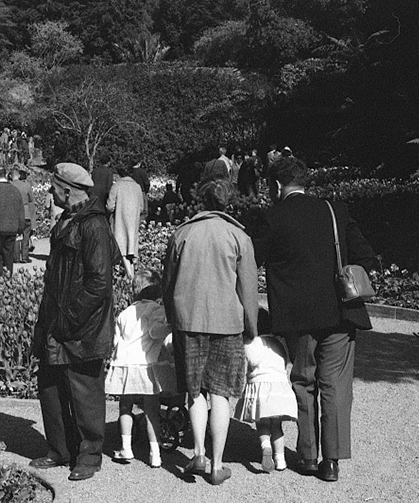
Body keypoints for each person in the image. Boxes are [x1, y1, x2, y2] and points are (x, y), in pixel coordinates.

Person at [254, 155, 377, 482]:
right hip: (340, 311)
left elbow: (251, 259)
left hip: (297, 316)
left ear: (276, 185)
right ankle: (332, 460)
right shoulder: (336, 211)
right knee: (335, 385)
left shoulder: (271, 217)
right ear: (305, 182)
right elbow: (367, 257)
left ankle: (307, 456)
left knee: (303, 381)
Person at [162, 178, 259, 486]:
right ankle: (217, 465)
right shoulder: (238, 236)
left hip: (189, 321)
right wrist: (252, 328)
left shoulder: (183, 233)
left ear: (200, 201)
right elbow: (249, 291)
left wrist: (171, 317)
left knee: (194, 392)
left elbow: (168, 284)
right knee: (220, 393)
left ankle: (199, 453)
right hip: (227, 323)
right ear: (230, 202)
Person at [30, 163, 122, 482]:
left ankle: (90, 454)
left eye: (53, 187)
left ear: (67, 190)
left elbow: (99, 282)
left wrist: (70, 317)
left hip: (82, 325)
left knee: (85, 391)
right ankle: (61, 449)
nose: (50, 192)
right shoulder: (68, 219)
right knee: (51, 387)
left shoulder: (93, 224)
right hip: (58, 321)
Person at [105, 268, 176, 469]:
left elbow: (116, 340)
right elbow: (154, 332)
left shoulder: (125, 313)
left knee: (125, 406)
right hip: (145, 365)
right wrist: (171, 328)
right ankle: (155, 454)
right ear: (159, 292)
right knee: (152, 410)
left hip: (125, 364)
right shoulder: (156, 310)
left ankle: (126, 447)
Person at [233, 310, 298, 473]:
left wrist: (245, 341)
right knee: (277, 426)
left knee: (262, 424)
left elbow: (252, 359)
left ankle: (265, 447)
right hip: (278, 389)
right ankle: (281, 460)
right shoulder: (278, 344)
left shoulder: (253, 343)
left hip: (261, 389)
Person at [107, 164, 144, 279]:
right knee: (130, 247)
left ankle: (130, 275)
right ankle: (131, 273)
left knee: (121, 246)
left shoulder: (117, 186)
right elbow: (142, 207)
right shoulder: (137, 187)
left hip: (120, 219)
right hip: (133, 220)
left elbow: (109, 206)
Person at [10, 167, 36, 263]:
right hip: (25, 212)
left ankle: (16, 257)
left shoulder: (10, 185)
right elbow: (31, 200)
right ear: (19, 175)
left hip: (14, 213)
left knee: (16, 235)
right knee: (26, 235)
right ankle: (25, 256)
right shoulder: (26, 185)